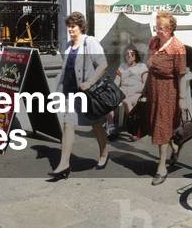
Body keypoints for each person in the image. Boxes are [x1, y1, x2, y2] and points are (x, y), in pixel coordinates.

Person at [48, 12, 109, 181]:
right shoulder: (68, 46)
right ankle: (64, 164)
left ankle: (104, 152)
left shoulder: (90, 42)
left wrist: (89, 82)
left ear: (81, 27)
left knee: (95, 125)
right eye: (68, 26)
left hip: (86, 94)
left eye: (73, 26)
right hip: (70, 93)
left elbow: (103, 64)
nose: (70, 29)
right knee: (68, 125)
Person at [147, 11, 186, 186]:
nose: (158, 31)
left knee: (162, 126)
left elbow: (182, 75)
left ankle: (161, 167)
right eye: (157, 27)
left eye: (162, 28)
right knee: (159, 123)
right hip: (154, 88)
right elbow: (150, 65)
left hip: (169, 90)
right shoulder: (154, 42)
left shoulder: (177, 47)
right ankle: (175, 147)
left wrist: (182, 98)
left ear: (170, 29)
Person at [110, 46, 147, 138]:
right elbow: (116, 82)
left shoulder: (142, 66)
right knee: (108, 102)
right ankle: (111, 129)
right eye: (127, 54)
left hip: (136, 92)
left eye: (132, 54)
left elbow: (145, 84)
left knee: (127, 101)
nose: (129, 55)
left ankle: (135, 130)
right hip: (123, 92)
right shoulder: (122, 66)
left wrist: (136, 91)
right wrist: (112, 91)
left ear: (136, 56)